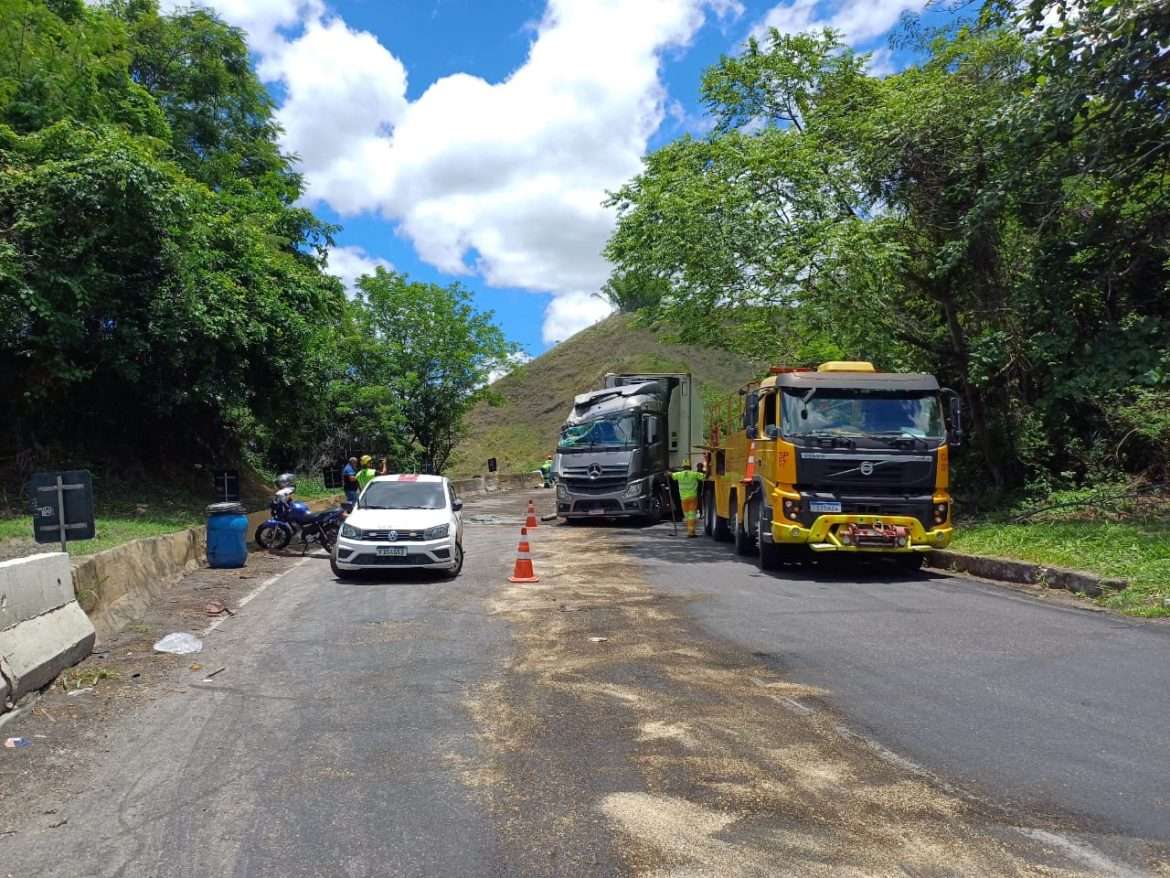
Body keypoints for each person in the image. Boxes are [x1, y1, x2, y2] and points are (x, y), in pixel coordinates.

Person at [672, 460, 706, 538]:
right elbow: (704, 476)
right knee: (692, 516)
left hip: (683, 499)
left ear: (683, 467)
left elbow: (672, 475)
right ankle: (691, 532)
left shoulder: (679, 474)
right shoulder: (694, 474)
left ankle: (691, 531)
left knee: (688, 516)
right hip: (693, 498)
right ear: (690, 467)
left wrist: (668, 474)